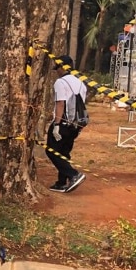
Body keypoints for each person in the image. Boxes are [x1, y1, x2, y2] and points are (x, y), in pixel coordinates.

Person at [47, 55, 87, 193]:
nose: (57, 71)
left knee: (51, 150)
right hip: (76, 124)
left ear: (63, 67)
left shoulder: (61, 82)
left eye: (57, 67)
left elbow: (60, 103)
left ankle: (74, 175)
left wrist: (56, 125)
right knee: (64, 152)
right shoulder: (81, 82)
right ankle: (61, 182)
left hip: (63, 122)